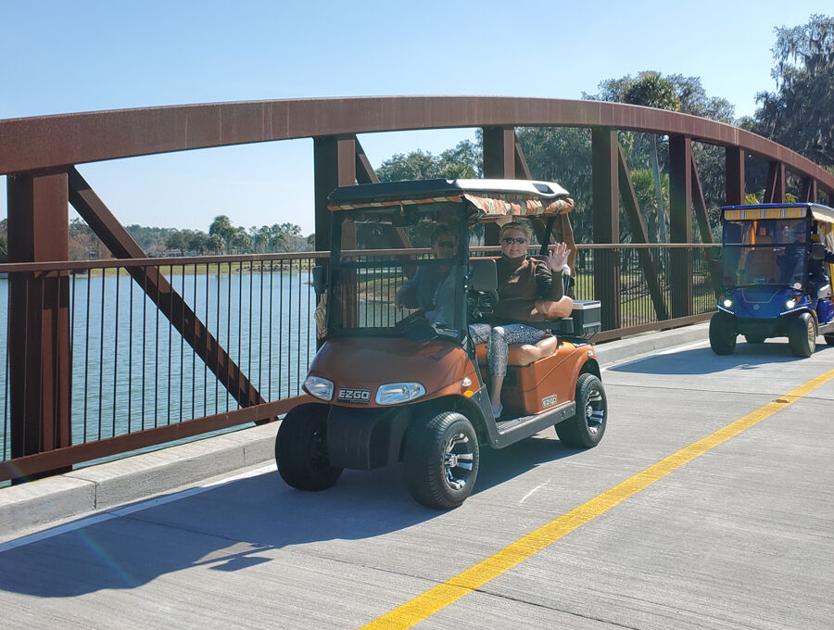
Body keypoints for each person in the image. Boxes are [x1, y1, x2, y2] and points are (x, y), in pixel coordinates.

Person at [469, 221, 573, 418]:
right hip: (497, 322)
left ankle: (495, 401)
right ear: (501, 243)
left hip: (531, 327)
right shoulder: (492, 267)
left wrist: (557, 271)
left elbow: (553, 296)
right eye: (508, 240)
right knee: (465, 333)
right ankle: (469, 391)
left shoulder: (536, 267)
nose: (514, 245)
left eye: (520, 240)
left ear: (527, 244)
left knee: (498, 335)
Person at [395, 226, 458, 326]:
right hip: (427, 315)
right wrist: (400, 292)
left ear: (455, 248)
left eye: (450, 245)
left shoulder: (460, 270)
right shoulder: (426, 268)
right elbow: (412, 283)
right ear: (433, 247)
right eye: (442, 244)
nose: (446, 249)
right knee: (400, 328)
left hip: (449, 320)